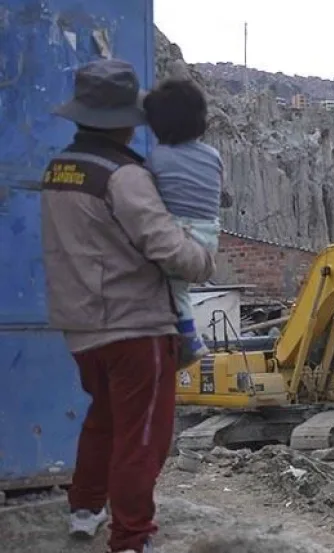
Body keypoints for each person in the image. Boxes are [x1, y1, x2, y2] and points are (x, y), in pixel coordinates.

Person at [41, 59, 215, 553]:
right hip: (135, 328)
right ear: (123, 121)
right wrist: (204, 259)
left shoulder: (60, 169)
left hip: (81, 326)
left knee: (104, 419)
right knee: (142, 438)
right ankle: (133, 538)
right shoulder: (124, 176)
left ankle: (85, 508)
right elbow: (167, 247)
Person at [143, 79, 224, 366]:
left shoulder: (156, 158)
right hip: (209, 235)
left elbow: (147, 197)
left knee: (172, 288)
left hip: (179, 233)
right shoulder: (214, 157)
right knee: (181, 288)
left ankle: (190, 339)